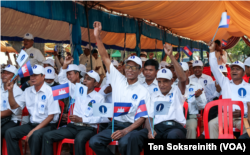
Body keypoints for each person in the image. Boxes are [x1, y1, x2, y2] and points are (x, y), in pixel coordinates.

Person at [89, 21, 151, 155]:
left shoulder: (143, 91)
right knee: (94, 142)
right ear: (123, 67)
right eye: (128, 66)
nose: (130, 70)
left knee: (124, 143)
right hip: (114, 124)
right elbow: (104, 56)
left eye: (134, 67)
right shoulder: (117, 79)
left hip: (132, 127)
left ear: (140, 71)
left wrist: (126, 131)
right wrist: (97, 36)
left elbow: (142, 118)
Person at [126, 44, 187, 155]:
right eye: (159, 81)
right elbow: (149, 117)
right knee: (134, 136)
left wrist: (171, 56)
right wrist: (150, 130)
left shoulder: (176, 92)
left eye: (165, 81)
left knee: (173, 136)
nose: (162, 84)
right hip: (157, 129)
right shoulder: (153, 96)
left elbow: (182, 78)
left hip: (174, 128)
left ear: (172, 81)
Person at [42, 70, 108, 155]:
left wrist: (81, 119)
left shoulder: (99, 98)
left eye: (89, 79)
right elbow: (63, 80)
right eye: (84, 78)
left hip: (88, 128)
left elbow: (99, 118)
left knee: (79, 139)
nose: (84, 80)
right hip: (73, 127)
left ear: (95, 84)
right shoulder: (78, 91)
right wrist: (65, 66)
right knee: (47, 136)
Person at [5, 64, 61, 155]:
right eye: (31, 75)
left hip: (48, 125)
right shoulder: (27, 91)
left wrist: (33, 131)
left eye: (36, 75)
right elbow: (14, 106)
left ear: (43, 76)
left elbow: (51, 116)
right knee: (10, 133)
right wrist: (10, 91)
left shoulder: (50, 91)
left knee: (35, 135)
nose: (32, 78)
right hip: (32, 124)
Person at [208, 41, 248, 138]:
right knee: (212, 124)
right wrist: (212, 51)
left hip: (243, 117)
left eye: (237, 69)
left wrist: (244, 112)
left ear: (243, 73)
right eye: (232, 69)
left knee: (248, 127)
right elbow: (214, 68)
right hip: (225, 116)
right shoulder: (225, 82)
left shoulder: (248, 87)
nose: (234, 71)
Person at [179, 62, 207, 139]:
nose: (180, 74)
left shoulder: (197, 86)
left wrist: (198, 97)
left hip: (191, 116)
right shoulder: (172, 86)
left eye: (183, 72)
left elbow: (202, 106)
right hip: (176, 117)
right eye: (178, 72)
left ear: (189, 72)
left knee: (191, 128)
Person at [0, 65, 23, 155]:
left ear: (15, 77)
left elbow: (9, 112)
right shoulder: (1, 86)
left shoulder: (18, 91)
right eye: (3, 72)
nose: (4, 75)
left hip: (12, 120)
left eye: (8, 73)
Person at [58, 57, 81, 127]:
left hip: (79, 119)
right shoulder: (69, 85)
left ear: (77, 74)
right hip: (66, 118)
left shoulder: (84, 87)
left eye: (70, 74)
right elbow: (61, 79)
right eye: (67, 75)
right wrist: (65, 65)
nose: (68, 77)